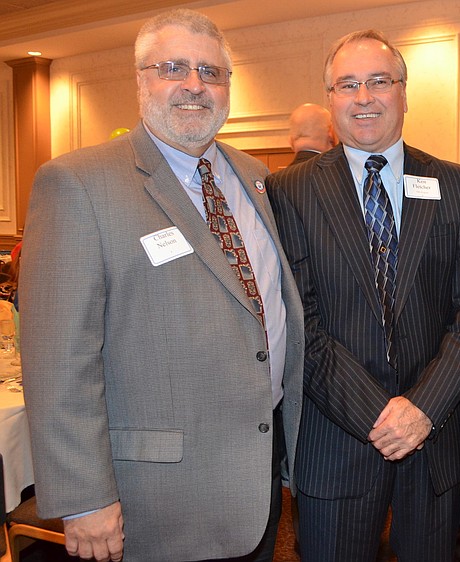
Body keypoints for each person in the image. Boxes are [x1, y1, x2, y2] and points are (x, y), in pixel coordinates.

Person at [19, 9, 304, 562]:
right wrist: (84, 497)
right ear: (141, 79)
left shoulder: (258, 179)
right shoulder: (77, 183)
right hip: (155, 497)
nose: (195, 84)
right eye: (173, 67)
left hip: (260, 474)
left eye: (211, 71)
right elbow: (57, 360)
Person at [266, 29, 460, 562]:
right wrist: (380, 416)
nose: (363, 97)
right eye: (347, 84)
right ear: (331, 100)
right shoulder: (289, 190)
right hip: (336, 442)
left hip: (432, 440)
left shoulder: (457, 184)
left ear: (404, 93)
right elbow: (300, 322)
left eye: (378, 81)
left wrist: (421, 410)